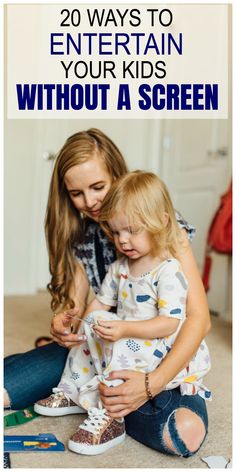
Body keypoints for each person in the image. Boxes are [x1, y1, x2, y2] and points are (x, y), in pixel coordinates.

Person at [4, 128, 211, 458]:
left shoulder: (162, 225)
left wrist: (151, 384)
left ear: (118, 174)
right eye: (76, 193)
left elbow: (197, 319)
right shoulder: (81, 233)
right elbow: (81, 306)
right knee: (20, 379)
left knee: (182, 433)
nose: (89, 202)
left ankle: (99, 403)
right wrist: (66, 323)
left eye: (98, 187)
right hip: (100, 347)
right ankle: (89, 396)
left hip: (154, 350)